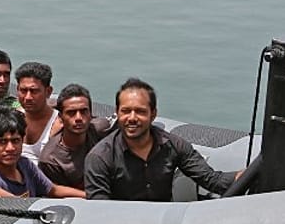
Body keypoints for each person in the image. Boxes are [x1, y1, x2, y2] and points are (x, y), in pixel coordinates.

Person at [84, 78, 238, 202]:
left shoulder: (174, 145)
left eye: (140, 112)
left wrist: (256, 171)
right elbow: (100, 211)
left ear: (153, 114)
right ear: (117, 113)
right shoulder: (100, 157)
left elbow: (212, 181)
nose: (132, 118)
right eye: (125, 111)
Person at [0, 108, 84, 199]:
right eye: (2, 142)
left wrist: (89, 196)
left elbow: (53, 190)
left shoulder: (25, 165)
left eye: (15, 141)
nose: (10, 148)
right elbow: (16, 204)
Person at [38, 83, 113, 188]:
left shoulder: (101, 129)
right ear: (60, 117)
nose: (78, 118)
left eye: (83, 111)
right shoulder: (52, 159)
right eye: (71, 113)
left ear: (91, 114)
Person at [14, 61, 61, 161]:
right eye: (23, 90)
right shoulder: (13, 117)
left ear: (48, 92)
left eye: (34, 91)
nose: (28, 97)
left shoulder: (58, 124)